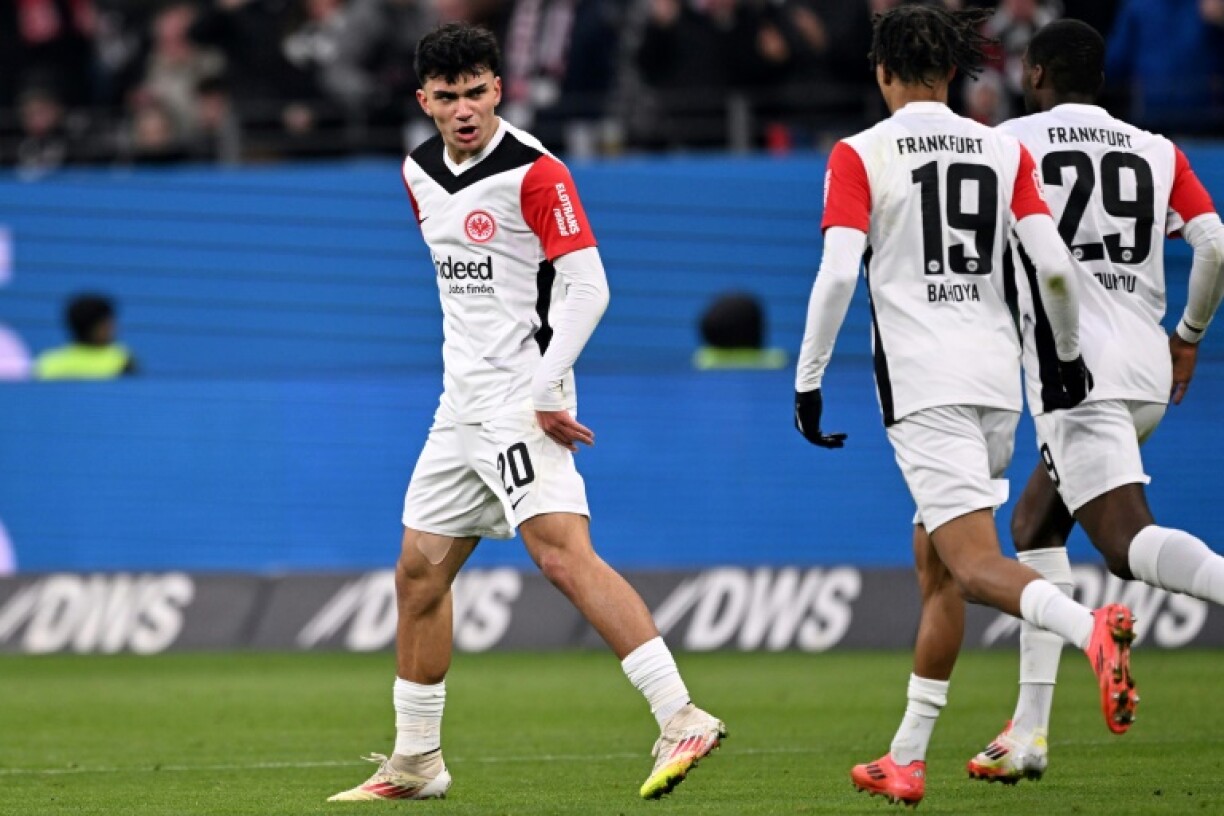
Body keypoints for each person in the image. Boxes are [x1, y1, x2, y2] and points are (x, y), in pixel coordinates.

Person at [327, 22, 725, 803]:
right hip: (460, 408)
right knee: (417, 573)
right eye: (448, 97)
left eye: (477, 91)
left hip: (523, 399)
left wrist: (548, 385)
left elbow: (588, 287)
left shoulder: (535, 172)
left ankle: (680, 714)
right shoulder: (416, 172)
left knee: (561, 555)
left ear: (499, 88)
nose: (465, 109)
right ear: (425, 101)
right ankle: (417, 762)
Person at [793, 5, 1136, 807]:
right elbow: (1051, 265)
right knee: (938, 566)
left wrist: (808, 378)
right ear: (952, 73)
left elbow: (840, 272)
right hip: (996, 383)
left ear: (882, 73)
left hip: (924, 387)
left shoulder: (860, 152)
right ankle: (906, 756)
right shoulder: (999, 145)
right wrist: (1066, 358)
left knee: (978, 568)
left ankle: (1092, 630)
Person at [964, 18, 1224, 784]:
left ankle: (1032, 733)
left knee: (1121, 543)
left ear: (1037, 74)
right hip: (1146, 363)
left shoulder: (1009, 142)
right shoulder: (1156, 149)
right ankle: (1030, 735)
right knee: (1036, 519)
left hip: (1074, 370)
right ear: (1101, 81)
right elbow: (1212, 242)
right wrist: (1190, 333)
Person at [34, 293, 138, 380]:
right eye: (106, 324)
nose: (113, 328)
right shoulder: (121, 360)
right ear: (90, 327)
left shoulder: (48, 362)